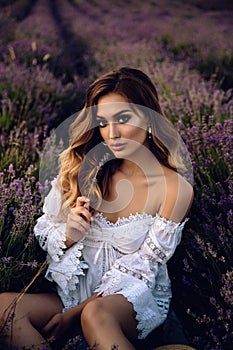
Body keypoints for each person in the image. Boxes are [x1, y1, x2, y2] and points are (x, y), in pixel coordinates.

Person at [0, 67, 194, 350]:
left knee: (95, 314)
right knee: (5, 307)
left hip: (127, 299)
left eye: (123, 119)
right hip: (71, 294)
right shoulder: (83, 168)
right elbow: (46, 229)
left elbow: (141, 270)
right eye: (102, 122)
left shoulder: (174, 188)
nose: (112, 134)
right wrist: (68, 235)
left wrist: (72, 317)